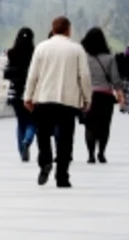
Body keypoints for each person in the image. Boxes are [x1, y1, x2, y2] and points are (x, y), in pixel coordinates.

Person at [24, 16, 92, 189]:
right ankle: (62, 177)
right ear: (68, 30)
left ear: (52, 29)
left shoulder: (41, 48)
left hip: (44, 99)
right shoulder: (77, 49)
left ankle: (45, 161)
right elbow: (84, 76)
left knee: (43, 135)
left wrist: (28, 97)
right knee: (65, 139)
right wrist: (87, 98)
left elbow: (33, 75)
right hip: (67, 101)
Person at [80, 26, 123, 165]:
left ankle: (91, 155)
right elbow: (115, 79)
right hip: (105, 96)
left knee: (90, 126)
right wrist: (121, 97)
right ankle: (101, 154)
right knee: (104, 126)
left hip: (88, 96)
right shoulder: (109, 58)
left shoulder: (83, 57)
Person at [4, 27, 36, 162]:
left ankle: (22, 150)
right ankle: (27, 140)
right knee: (33, 120)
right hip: (30, 92)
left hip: (15, 92)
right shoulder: (35, 53)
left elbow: (7, 72)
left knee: (21, 122)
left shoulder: (11, 53)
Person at [115, 46, 129, 114]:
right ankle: (128, 108)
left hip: (122, 78)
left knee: (122, 93)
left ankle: (122, 107)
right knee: (128, 94)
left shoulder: (120, 57)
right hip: (128, 78)